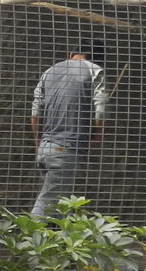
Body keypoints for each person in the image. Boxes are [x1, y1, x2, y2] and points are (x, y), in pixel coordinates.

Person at [30, 49, 107, 217]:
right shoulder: (94, 70)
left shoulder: (49, 71)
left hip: (45, 148)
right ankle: (26, 232)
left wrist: (38, 143)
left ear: (71, 53)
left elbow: (35, 112)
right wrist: (97, 136)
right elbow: (100, 110)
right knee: (45, 204)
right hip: (66, 150)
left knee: (57, 204)